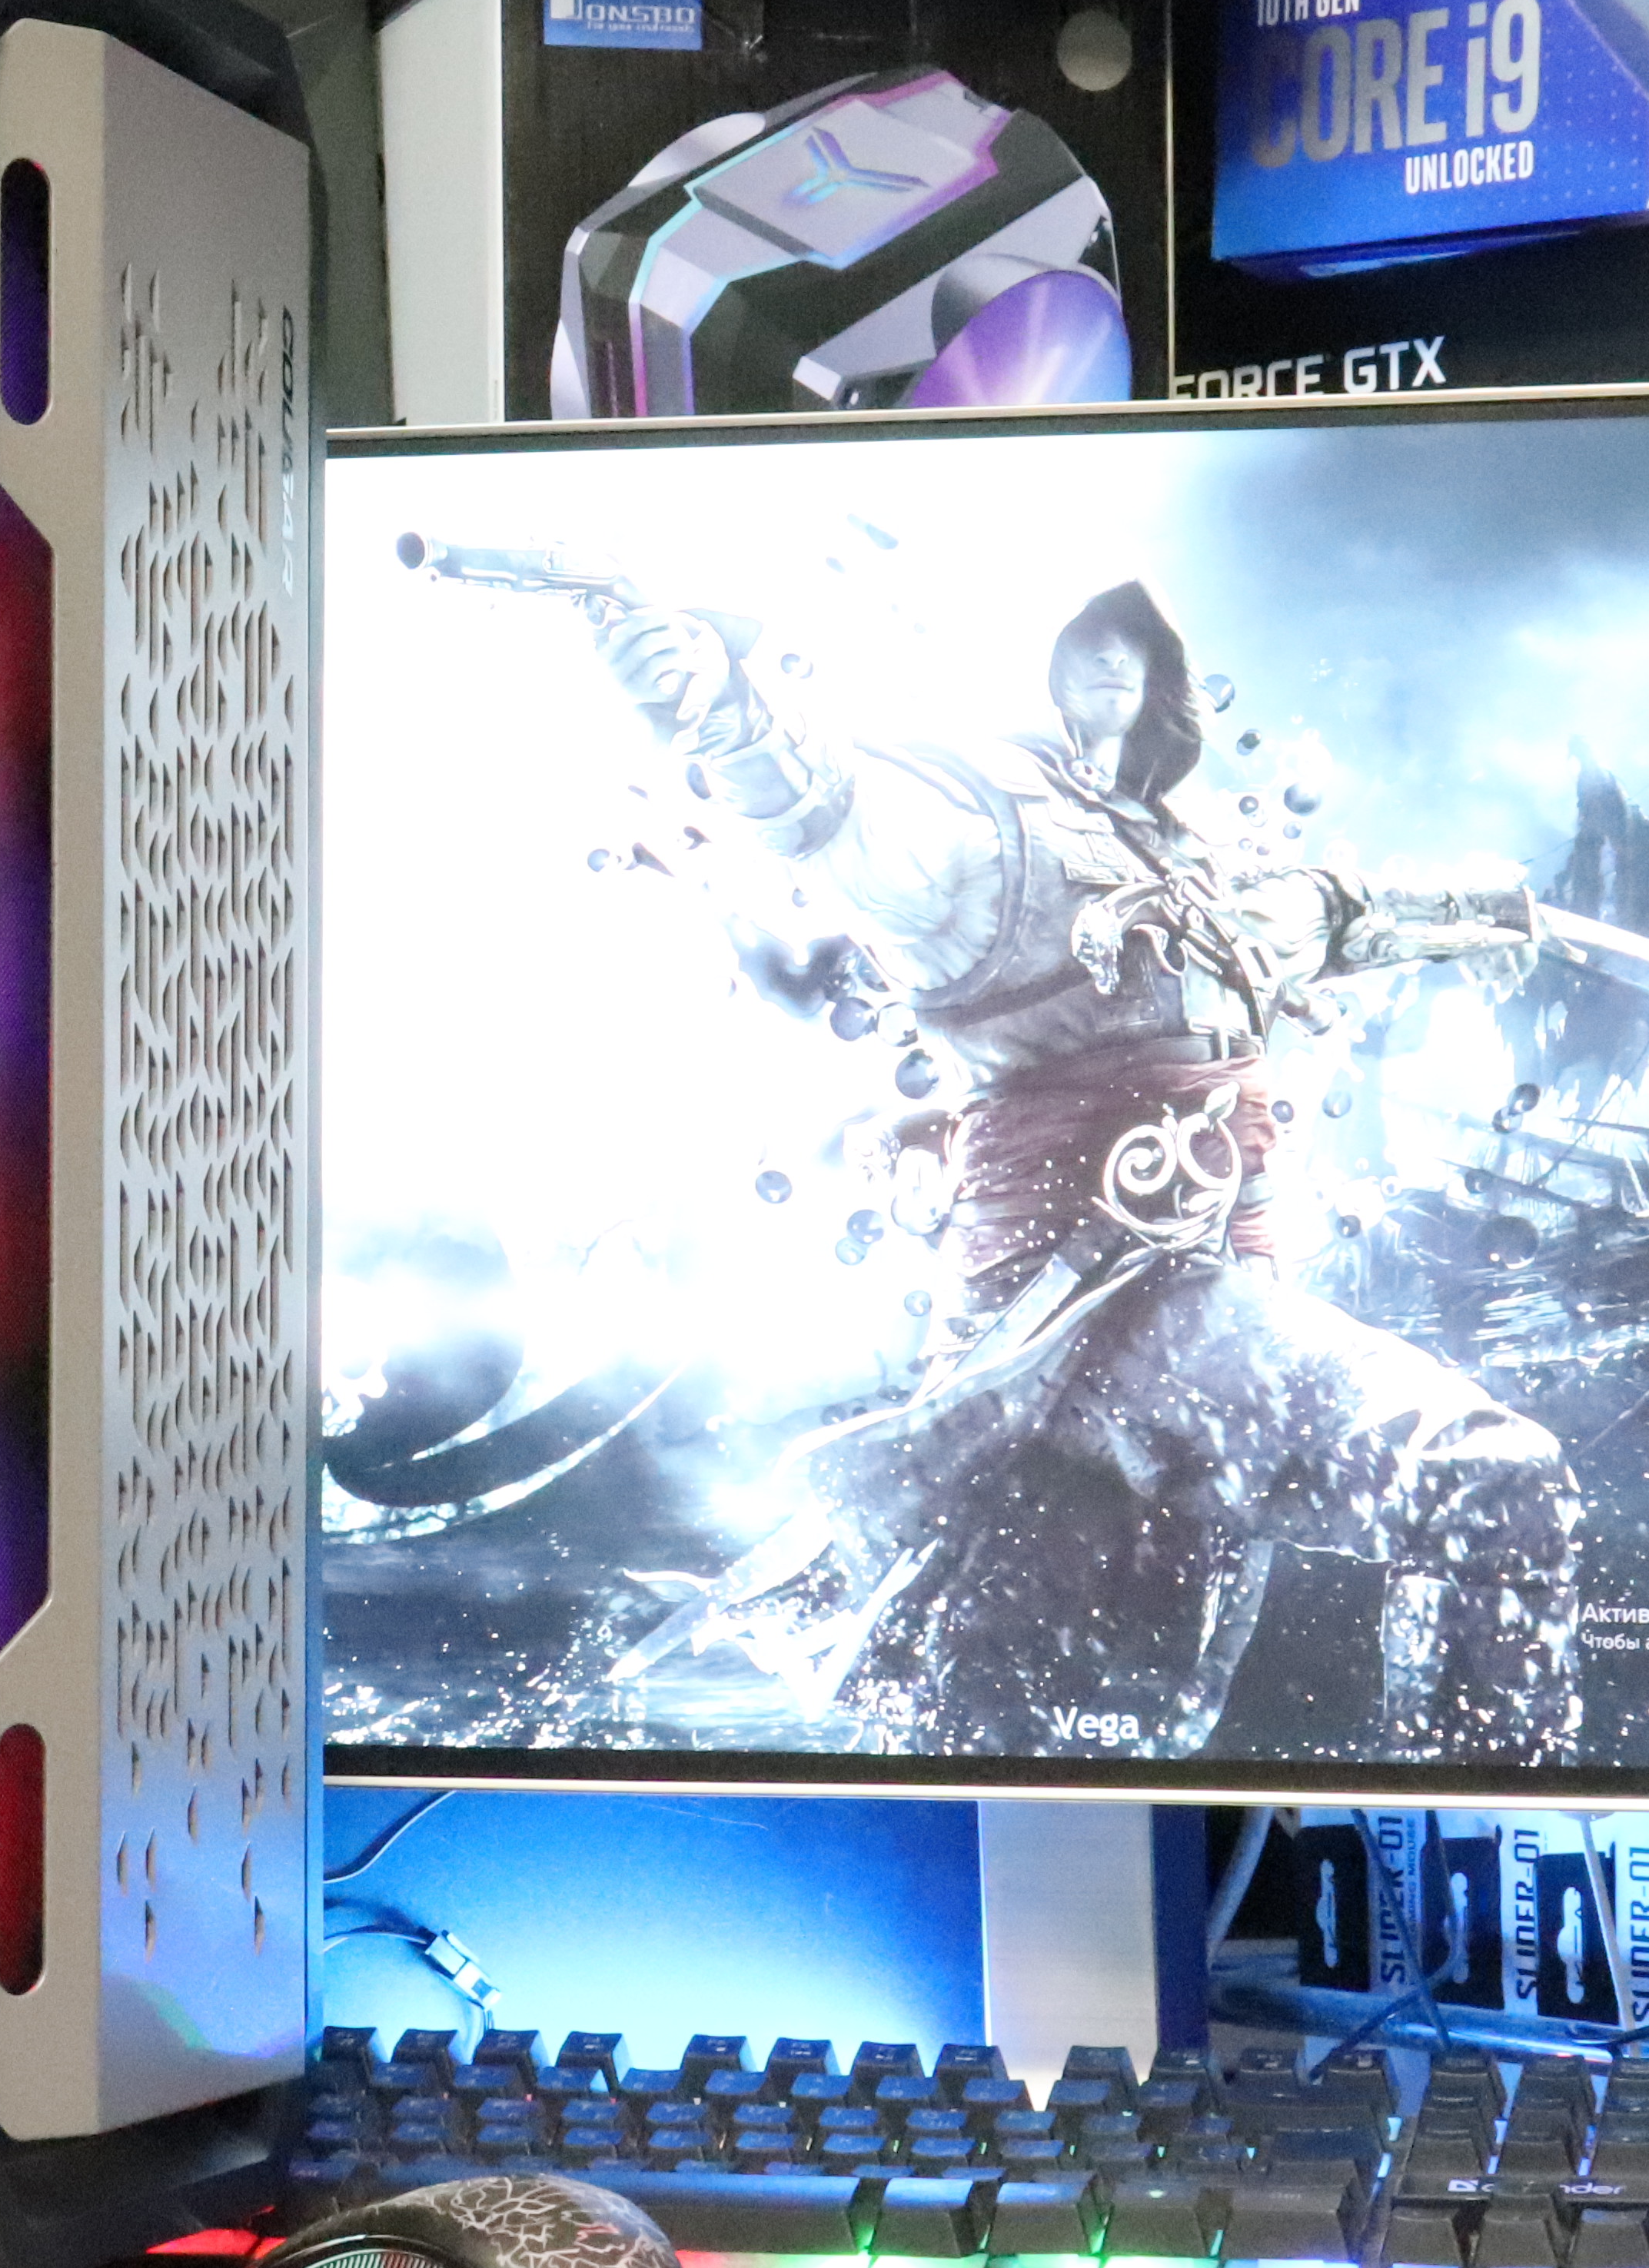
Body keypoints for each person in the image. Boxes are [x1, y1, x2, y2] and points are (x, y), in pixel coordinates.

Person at [436, 545, 1587, 1762]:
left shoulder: (1190, 859)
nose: (1110, 658)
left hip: (1183, 1316)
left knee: (1080, 1732)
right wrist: (711, 698)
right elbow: (817, 803)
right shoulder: (967, 830)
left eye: (1131, 639)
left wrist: (1484, 915)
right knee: (1485, 1476)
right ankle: (1488, 1823)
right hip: (1095, 1312)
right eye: (1084, 634)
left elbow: (1325, 917)